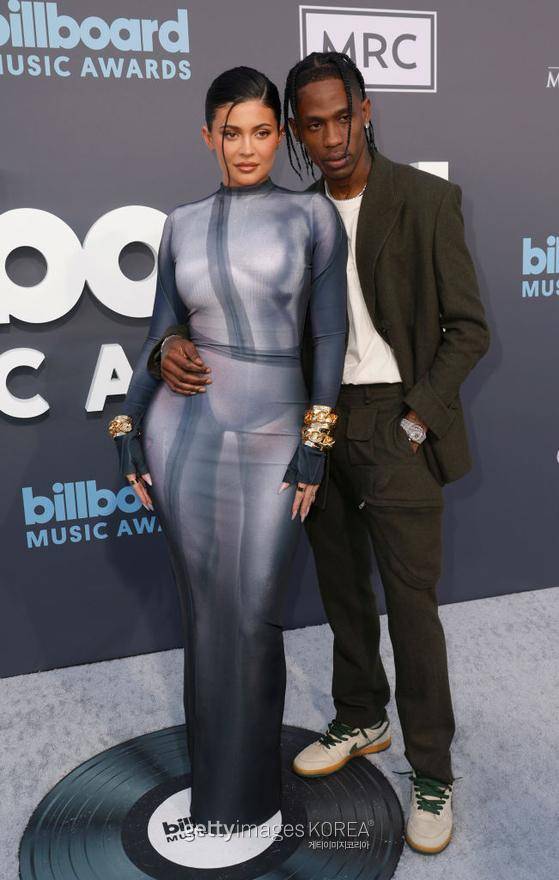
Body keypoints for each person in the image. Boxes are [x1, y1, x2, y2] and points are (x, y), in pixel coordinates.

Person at [147, 52, 490, 854]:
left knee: (410, 606)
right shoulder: (290, 215)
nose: (330, 136)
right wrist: (166, 341)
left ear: (365, 110)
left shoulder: (426, 200)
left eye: (343, 117)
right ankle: (362, 717)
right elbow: (211, 316)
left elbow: (467, 329)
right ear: (293, 132)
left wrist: (415, 420)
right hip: (311, 422)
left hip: (396, 420)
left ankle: (432, 769)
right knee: (339, 588)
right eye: (312, 123)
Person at [107, 65, 348, 829]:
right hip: (185, 437)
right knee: (207, 617)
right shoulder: (179, 222)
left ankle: (252, 795)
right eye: (230, 133)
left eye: (262, 132)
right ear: (207, 136)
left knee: (251, 616)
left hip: (277, 436)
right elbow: (157, 338)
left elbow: (328, 336)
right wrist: (125, 429)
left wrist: (316, 444)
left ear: (280, 135)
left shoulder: (311, 220)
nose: (246, 149)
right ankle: (217, 796)